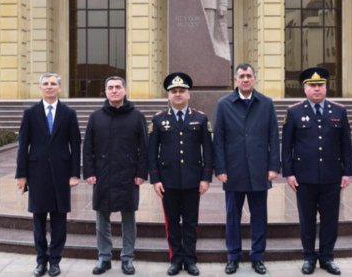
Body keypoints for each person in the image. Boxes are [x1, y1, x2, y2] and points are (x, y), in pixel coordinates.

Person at [281, 67, 352, 275]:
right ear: (304, 88)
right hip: (304, 178)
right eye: (312, 86)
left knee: (330, 219)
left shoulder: (339, 111)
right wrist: (289, 172)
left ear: (326, 87)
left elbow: (346, 145)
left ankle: (327, 257)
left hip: (332, 176)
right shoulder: (294, 112)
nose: (316, 89)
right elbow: (286, 146)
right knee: (307, 219)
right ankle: (308, 257)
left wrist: (346, 172)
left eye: (320, 85)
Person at [213, 63, 280, 275]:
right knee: (233, 216)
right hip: (233, 171)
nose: (245, 79)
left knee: (259, 216)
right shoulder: (224, 104)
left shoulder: (266, 104)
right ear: (235, 80)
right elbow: (219, 139)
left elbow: (273, 137)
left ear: (255, 79)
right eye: (241, 76)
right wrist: (220, 168)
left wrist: (273, 167)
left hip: (259, 170)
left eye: (249, 75)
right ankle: (233, 256)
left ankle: (258, 256)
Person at [15, 72, 82, 277]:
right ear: (41, 88)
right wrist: (21, 175)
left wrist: (74, 174)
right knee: (39, 220)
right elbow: (23, 145)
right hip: (37, 174)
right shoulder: (30, 113)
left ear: (60, 88)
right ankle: (40, 261)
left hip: (62, 174)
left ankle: (55, 261)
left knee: (59, 219)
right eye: (46, 84)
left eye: (53, 84)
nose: (50, 87)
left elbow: (76, 144)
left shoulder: (69, 113)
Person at [148, 72, 214, 276]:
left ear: (189, 94)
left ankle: (190, 259)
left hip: (193, 180)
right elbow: (152, 153)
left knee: (191, 222)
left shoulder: (200, 118)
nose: (178, 94)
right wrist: (155, 179)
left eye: (181, 91)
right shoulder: (159, 120)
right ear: (168, 95)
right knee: (173, 222)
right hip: (168, 182)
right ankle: (176, 259)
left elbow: (208, 151)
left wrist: (206, 178)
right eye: (174, 91)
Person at [82, 76, 148, 275]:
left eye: (118, 87)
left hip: (128, 175)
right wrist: (89, 172)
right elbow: (88, 148)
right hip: (103, 174)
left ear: (125, 90)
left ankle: (127, 258)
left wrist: (141, 173)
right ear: (105, 91)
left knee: (129, 217)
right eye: (110, 87)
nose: (114, 91)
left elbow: (144, 148)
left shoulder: (137, 116)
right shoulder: (96, 117)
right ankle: (104, 257)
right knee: (102, 217)